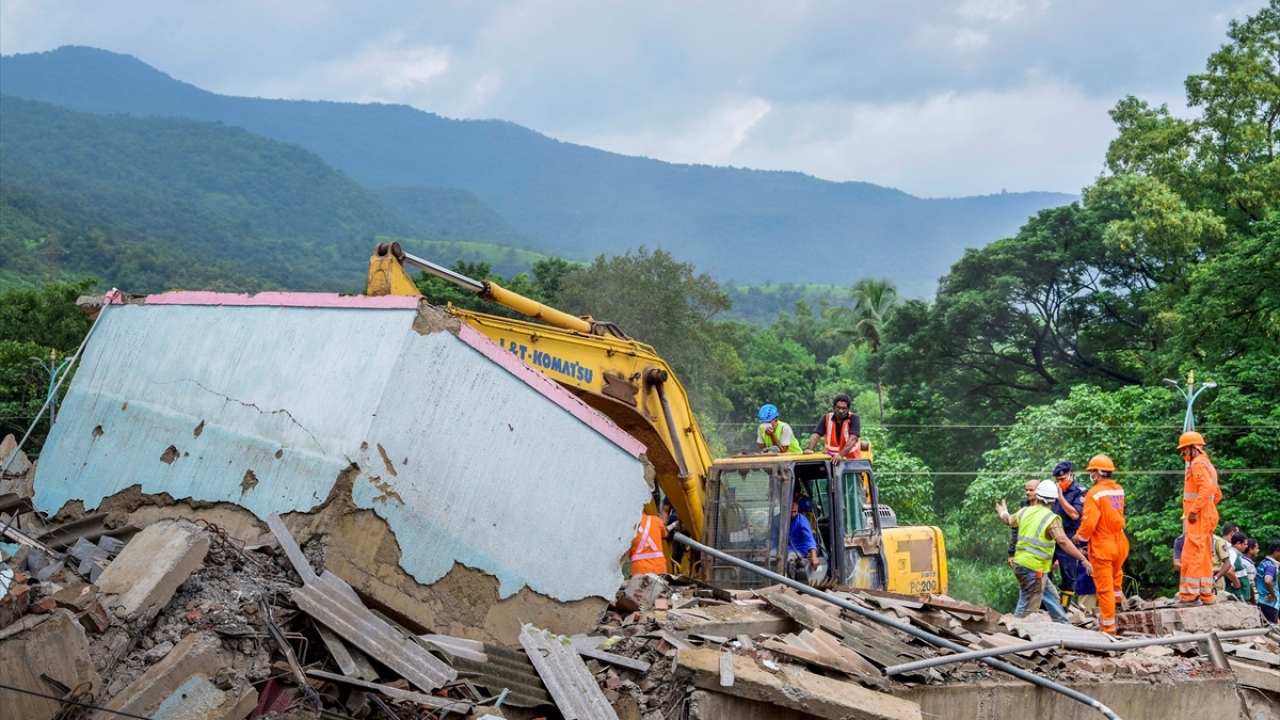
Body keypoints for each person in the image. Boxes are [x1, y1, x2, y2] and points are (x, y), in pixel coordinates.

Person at [997, 480, 1093, 623]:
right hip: (1033, 569)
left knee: (1052, 597)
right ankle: (1016, 634)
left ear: (1039, 497)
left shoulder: (1025, 511)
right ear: (1054, 501)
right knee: (1028, 609)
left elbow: (1008, 520)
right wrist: (1083, 559)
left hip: (1025, 566)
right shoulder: (1051, 519)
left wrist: (1003, 511)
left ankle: (1064, 626)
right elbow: (1063, 541)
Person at [1073, 454, 1128, 635]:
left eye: (1092, 471)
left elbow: (1089, 523)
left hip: (1103, 545)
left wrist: (1078, 537)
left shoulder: (1094, 493)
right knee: (1116, 576)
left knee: (1104, 590)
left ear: (1098, 473)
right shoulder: (1118, 490)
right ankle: (1118, 605)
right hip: (1120, 541)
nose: (1092, 475)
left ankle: (1108, 628)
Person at [1178, 431, 1222, 605]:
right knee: (1204, 555)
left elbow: (1208, 488)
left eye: (1183, 450)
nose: (1183, 454)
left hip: (1199, 516)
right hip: (1207, 514)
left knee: (1191, 554)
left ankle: (1190, 595)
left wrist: (1195, 510)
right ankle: (1206, 594)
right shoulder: (1207, 464)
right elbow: (1217, 494)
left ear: (1192, 448)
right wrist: (1208, 507)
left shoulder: (1197, 464)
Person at [1049, 461, 1086, 606]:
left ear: (1071, 475)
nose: (1059, 483)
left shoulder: (1080, 491)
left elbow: (1075, 514)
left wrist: (1060, 496)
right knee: (1044, 572)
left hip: (1069, 537)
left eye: (1062, 480)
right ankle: (1045, 607)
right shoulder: (1052, 489)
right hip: (1051, 536)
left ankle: (1065, 609)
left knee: (1068, 576)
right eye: (1057, 480)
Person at [806, 393, 861, 459]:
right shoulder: (826, 418)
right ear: (834, 407)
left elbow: (853, 439)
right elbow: (816, 436)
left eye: (844, 408)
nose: (841, 411)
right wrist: (810, 449)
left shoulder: (854, 418)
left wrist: (840, 455)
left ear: (848, 408)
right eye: (838, 407)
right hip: (830, 459)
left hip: (851, 460)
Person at [628, 505, 669, 576]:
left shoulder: (628, 525)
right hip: (659, 569)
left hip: (638, 570)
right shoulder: (656, 520)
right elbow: (666, 535)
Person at [785, 500, 820, 580]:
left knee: (789, 558)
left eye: (795, 512)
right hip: (785, 548)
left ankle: (790, 585)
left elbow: (809, 539)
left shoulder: (802, 521)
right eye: (791, 512)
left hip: (800, 549)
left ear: (798, 509)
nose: (793, 515)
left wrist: (814, 556)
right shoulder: (779, 519)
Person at [1257, 540, 1280, 624]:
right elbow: (1268, 580)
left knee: (1263, 630)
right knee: (1271, 633)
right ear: (1276, 553)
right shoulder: (1271, 566)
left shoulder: (1263, 563)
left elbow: (1257, 580)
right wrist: (1272, 595)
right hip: (1270, 604)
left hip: (1261, 601)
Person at [1227, 533, 1253, 602]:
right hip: (1236, 594)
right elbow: (1229, 571)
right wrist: (1237, 582)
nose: (1247, 546)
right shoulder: (1232, 554)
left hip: (1239, 594)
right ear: (1238, 544)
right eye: (1245, 544)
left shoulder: (1235, 554)